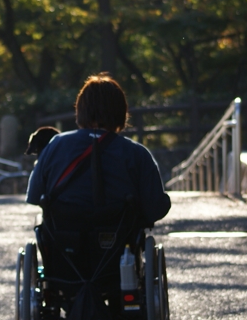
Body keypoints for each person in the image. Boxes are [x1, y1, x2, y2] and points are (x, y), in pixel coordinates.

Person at [26, 73, 170, 225]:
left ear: (80, 110)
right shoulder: (137, 153)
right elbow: (155, 208)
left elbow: (35, 195)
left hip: (65, 232)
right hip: (118, 235)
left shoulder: (55, 145)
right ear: (121, 112)